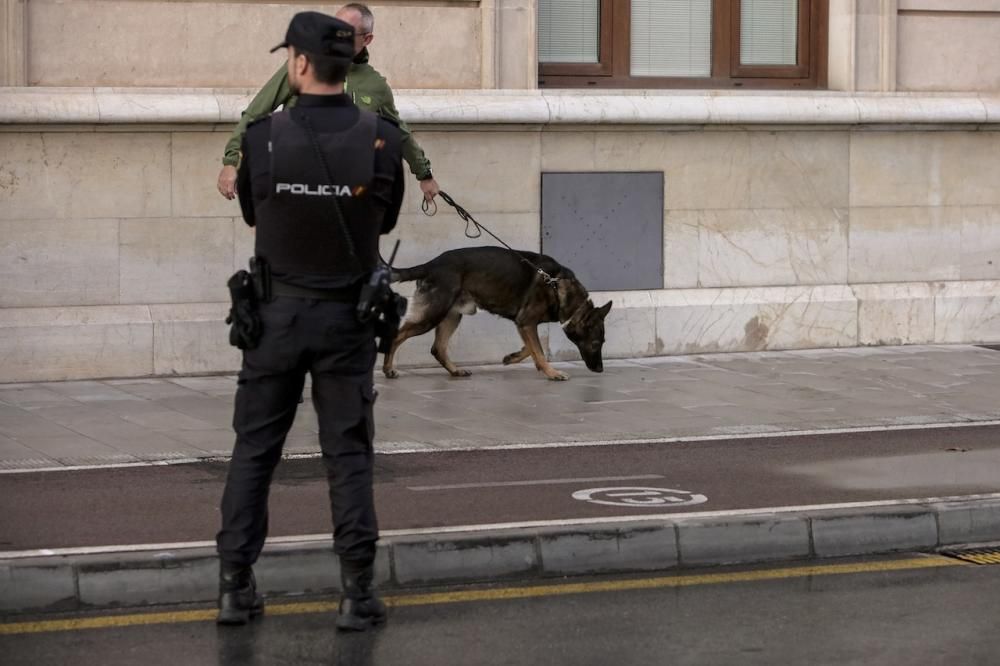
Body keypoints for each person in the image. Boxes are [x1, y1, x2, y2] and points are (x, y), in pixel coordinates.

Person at [215, 10, 404, 632]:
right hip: (346, 318)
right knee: (347, 455)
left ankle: (235, 589)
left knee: (254, 454)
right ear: (350, 62)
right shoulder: (382, 137)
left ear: (298, 64)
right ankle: (356, 594)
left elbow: (251, 211)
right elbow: (387, 219)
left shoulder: (263, 137)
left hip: (274, 318)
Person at [216, 3, 439, 203]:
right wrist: (231, 162)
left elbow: (400, 133)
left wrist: (424, 174)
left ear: (367, 39)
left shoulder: (375, 85)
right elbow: (256, 113)